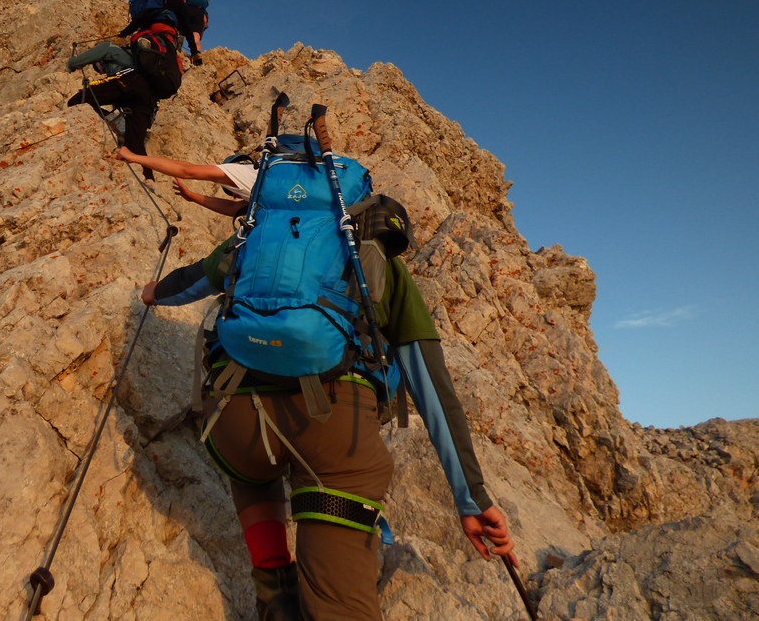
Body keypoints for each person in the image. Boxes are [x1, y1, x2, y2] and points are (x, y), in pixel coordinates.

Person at [140, 201, 517, 620]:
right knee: (339, 605)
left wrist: (152, 292)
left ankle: (274, 584)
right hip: (336, 432)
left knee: (253, 470)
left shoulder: (258, 240)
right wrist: (471, 498)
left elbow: (183, 284)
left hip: (238, 426)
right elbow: (432, 389)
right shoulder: (382, 264)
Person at [67, 41, 157, 179]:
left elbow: (86, 57)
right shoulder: (132, 61)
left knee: (76, 100)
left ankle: (106, 120)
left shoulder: (109, 47)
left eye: (98, 68)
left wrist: (72, 64)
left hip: (126, 83)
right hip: (147, 99)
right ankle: (149, 180)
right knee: (134, 146)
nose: (101, 72)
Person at [113, 146, 256, 216]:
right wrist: (191, 196)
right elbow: (233, 208)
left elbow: (187, 171)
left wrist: (134, 157)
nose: (235, 196)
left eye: (229, 189)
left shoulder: (243, 172)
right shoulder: (259, 190)